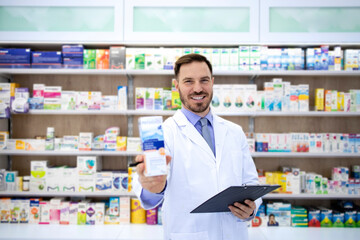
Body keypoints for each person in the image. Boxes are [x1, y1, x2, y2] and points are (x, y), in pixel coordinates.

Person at [132, 53, 262, 240]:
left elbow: (251, 183)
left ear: (212, 82)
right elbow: (148, 192)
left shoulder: (234, 131)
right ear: (176, 86)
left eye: (204, 80)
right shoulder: (164, 133)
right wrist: (155, 187)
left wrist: (251, 209)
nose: (198, 88)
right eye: (188, 82)